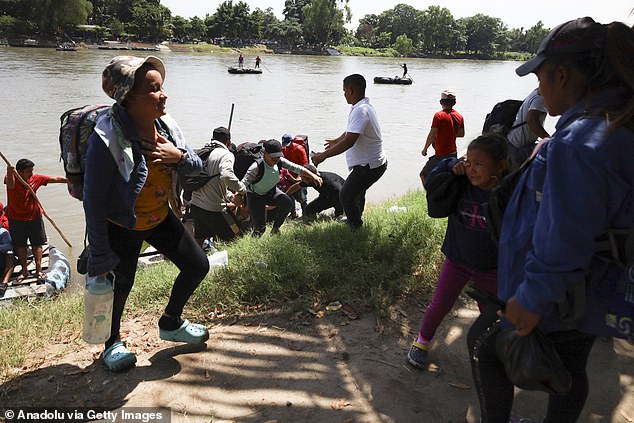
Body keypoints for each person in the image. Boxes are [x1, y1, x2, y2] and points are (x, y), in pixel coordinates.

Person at [467, 17, 634, 423]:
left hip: (561, 294)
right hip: (592, 288)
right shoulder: (616, 125)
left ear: (562, 74)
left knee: (482, 346)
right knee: (571, 367)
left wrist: (531, 297)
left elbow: (566, 236)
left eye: (541, 78)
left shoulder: (579, 143)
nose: (538, 89)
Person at [84, 55, 210, 372]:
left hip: (159, 215)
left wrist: (177, 156)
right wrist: (100, 251)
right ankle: (111, 343)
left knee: (197, 265)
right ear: (128, 97)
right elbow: (94, 200)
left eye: (162, 87)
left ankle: (170, 322)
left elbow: (197, 166)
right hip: (122, 225)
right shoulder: (106, 139)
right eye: (153, 90)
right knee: (121, 286)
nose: (163, 95)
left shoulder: (166, 125)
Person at [407, 134, 509, 368]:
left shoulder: (506, 194)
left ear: (501, 166)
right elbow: (432, 179)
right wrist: (451, 167)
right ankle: (422, 341)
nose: (471, 169)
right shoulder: (460, 185)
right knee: (441, 302)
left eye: (479, 164)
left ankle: (492, 348)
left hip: (491, 266)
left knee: (491, 311)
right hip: (457, 260)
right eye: (468, 162)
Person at [312, 74, 387, 230]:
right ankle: (356, 219)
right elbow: (350, 132)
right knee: (358, 192)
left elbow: (349, 141)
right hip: (373, 163)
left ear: (351, 90)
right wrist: (336, 141)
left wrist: (323, 155)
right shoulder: (361, 107)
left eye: (345, 90)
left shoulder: (361, 110)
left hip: (368, 165)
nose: (344, 94)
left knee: (346, 195)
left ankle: (355, 226)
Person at [4, 159, 67, 283]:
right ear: (20, 172)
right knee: (20, 245)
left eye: (32, 171)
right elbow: (10, 185)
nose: (31, 174)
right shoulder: (11, 177)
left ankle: (39, 270)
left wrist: (71, 181)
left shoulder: (36, 179)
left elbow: (54, 179)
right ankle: (24, 270)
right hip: (16, 218)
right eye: (28, 171)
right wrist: (9, 171)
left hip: (34, 217)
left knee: (37, 244)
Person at [241, 139, 321, 236]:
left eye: (278, 157)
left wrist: (314, 176)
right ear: (265, 153)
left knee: (287, 202)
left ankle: (275, 229)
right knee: (260, 228)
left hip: (271, 191)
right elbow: (243, 184)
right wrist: (238, 196)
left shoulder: (280, 162)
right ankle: (253, 245)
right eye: (273, 157)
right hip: (255, 196)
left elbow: (297, 168)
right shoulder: (256, 167)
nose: (276, 160)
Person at [190, 126, 247, 245]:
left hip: (196, 205)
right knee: (237, 236)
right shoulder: (226, 154)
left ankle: (194, 262)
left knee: (199, 239)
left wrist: (230, 195)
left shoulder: (203, 151)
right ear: (228, 142)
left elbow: (211, 180)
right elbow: (226, 176)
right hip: (215, 209)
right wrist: (242, 189)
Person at [420, 90, 465, 185]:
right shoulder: (459, 116)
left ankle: (431, 197)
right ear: (454, 103)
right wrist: (448, 133)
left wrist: (425, 149)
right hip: (453, 154)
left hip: (441, 155)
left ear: (441, 102)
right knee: (447, 180)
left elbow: (432, 135)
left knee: (424, 174)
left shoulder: (439, 116)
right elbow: (461, 134)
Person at [506, 87, 550, 171]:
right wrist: (549, 139)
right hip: (517, 148)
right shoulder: (541, 97)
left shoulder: (536, 92)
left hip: (513, 143)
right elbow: (532, 121)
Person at [281, 133, 309, 215]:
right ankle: (293, 213)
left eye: (288, 144)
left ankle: (306, 213)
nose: (286, 146)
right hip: (289, 175)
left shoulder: (299, 149)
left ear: (292, 141)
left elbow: (304, 165)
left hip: (300, 175)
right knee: (289, 194)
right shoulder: (284, 149)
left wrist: (299, 177)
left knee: (302, 197)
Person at [0, 224, 15, 296]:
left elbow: (8, 246)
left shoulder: (3, 232)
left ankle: (4, 282)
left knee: (9, 254)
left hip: (3, 258)